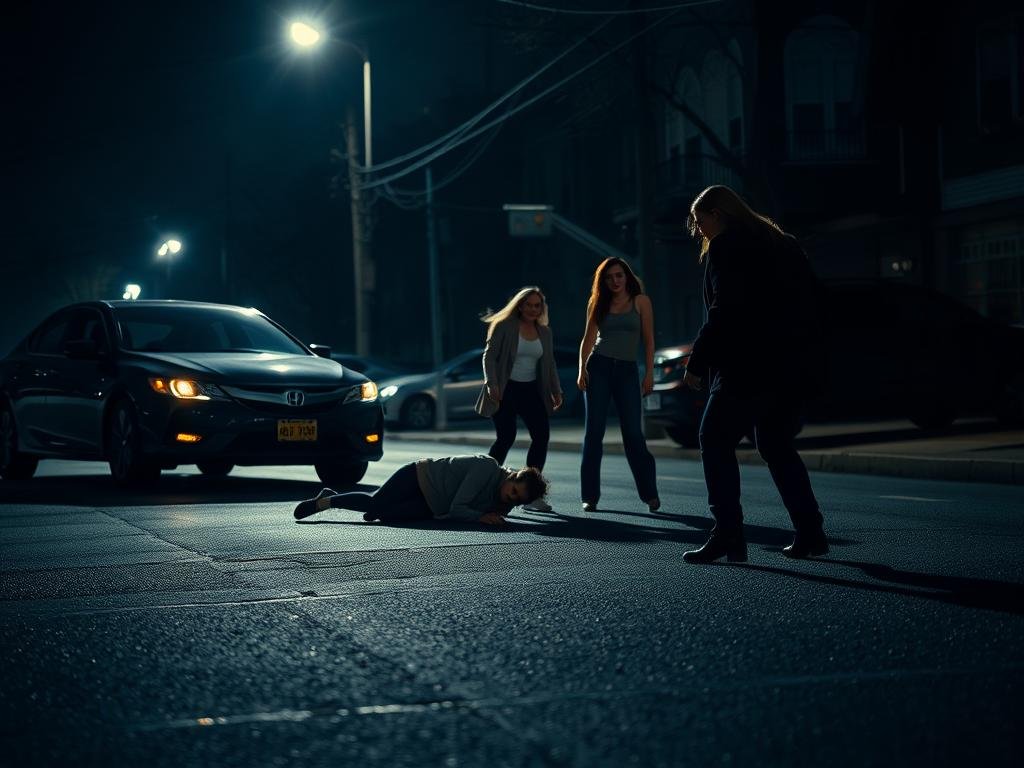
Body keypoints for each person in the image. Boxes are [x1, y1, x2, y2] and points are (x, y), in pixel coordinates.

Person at [680, 185, 827, 563]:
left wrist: (697, 362)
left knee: (713, 438)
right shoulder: (782, 243)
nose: (700, 231)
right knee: (776, 446)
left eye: (701, 222)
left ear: (719, 214)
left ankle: (728, 532)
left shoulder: (726, 248)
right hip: (788, 366)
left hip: (745, 366)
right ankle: (810, 531)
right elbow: (815, 301)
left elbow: (725, 310)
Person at [577, 257, 660, 512]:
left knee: (633, 434)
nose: (615, 281)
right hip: (598, 367)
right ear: (603, 280)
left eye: (619, 275)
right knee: (594, 433)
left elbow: (648, 341)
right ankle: (590, 496)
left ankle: (649, 494)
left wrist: (649, 374)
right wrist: (582, 370)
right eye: (609, 277)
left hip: (627, 371)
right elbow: (588, 339)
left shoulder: (641, 301)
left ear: (627, 277)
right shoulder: (597, 302)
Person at [474, 286, 563, 512]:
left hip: (531, 390)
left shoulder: (545, 332)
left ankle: (531, 495)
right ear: (520, 305)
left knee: (541, 436)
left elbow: (550, 364)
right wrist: (492, 384)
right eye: (529, 305)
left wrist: (556, 390)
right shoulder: (505, 326)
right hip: (506, 388)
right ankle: (483, 485)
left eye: (537, 305)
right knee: (506, 437)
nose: (533, 309)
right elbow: (489, 357)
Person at [293, 454, 549, 526]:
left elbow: (454, 511)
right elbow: (458, 508)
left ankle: (376, 508)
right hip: (419, 476)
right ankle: (328, 501)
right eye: (513, 491)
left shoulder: (502, 502)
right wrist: (480, 517)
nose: (510, 499)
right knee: (374, 504)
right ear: (513, 475)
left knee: (382, 516)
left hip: (431, 505)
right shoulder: (486, 468)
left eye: (517, 501)